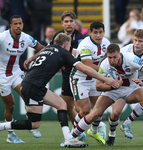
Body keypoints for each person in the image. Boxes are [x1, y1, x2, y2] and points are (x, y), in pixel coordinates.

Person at [0, 33, 120, 147]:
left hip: (29, 84)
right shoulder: (63, 52)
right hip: (34, 86)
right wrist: (105, 79)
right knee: (34, 124)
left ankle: (68, 138)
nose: (69, 49)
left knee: (61, 104)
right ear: (66, 44)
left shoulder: (49, 48)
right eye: (69, 47)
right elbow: (84, 68)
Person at [71, 43, 143, 146]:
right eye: (109, 57)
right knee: (95, 114)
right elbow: (98, 86)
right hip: (112, 91)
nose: (112, 60)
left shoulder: (131, 58)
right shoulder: (104, 64)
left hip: (131, 88)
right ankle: (71, 137)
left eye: (114, 57)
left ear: (120, 54)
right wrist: (113, 86)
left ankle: (127, 123)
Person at [0, 15, 44, 143]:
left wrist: (33, 58)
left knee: (29, 96)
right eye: (15, 24)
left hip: (16, 73)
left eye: (20, 23)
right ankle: (11, 135)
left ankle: (30, 124)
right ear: (11, 25)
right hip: (1, 76)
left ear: (23, 24)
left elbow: (42, 48)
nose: (18, 26)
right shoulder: (2, 36)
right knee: (10, 106)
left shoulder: (26, 38)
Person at [50, 11, 86, 147]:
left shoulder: (80, 37)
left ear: (75, 23)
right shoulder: (58, 36)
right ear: (62, 23)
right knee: (67, 106)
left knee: (81, 108)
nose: (69, 23)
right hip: (66, 75)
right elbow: (51, 50)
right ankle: (77, 132)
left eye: (71, 21)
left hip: (78, 75)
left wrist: (64, 60)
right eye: (66, 21)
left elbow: (78, 55)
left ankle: (95, 126)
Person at [70, 21, 110, 145]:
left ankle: (93, 131)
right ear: (90, 32)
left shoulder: (106, 42)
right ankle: (72, 135)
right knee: (86, 110)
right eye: (95, 32)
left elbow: (110, 59)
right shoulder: (85, 45)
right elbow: (88, 65)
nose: (98, 35)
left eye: (100, 32)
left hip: (94, 79)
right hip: (80, 79)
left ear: (103, 32)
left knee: (99, 109)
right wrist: (107, 74)